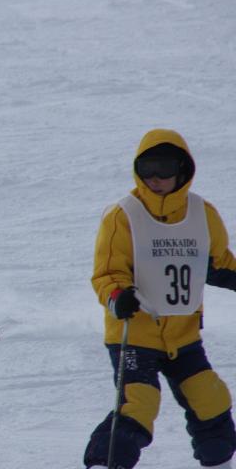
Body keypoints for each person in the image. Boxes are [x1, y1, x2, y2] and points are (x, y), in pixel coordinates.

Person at [83, 128, 236, 468]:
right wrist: (118, 297)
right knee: (139, 402)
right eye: (146, 168)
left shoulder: (202, 214)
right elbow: (107, 274)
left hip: (183, 335)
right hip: (135, 334)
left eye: (163, 168)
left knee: (210, 399)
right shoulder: (124, 215)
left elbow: (217, 264)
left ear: (182, 169)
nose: (154, 178)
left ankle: (219, 464)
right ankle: (105, 463)